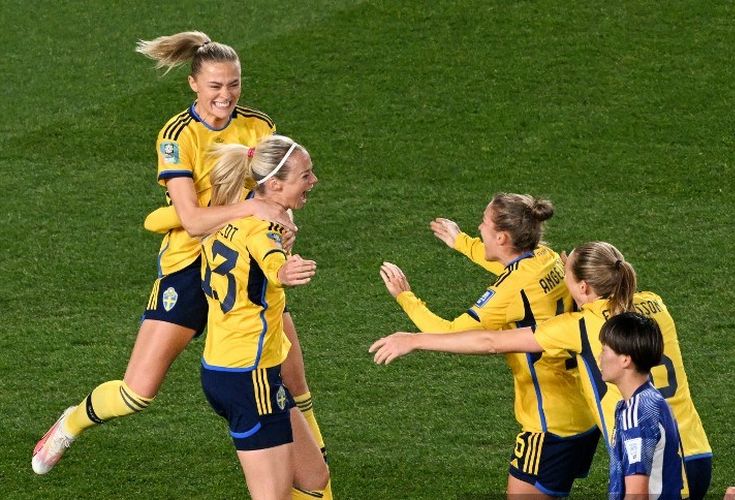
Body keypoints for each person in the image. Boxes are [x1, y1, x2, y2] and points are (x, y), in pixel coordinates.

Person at [32, 32, 331, 498]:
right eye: (214, 85)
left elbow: (276, 190)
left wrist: (281, 230)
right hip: (190, 265)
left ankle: (316, 458)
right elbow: (191, 220)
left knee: (288, 370)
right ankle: (71, 421)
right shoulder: (177, 136)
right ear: (193, 83)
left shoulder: (258, 125)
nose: (225, 95)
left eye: (233, 84)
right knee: (138, 392)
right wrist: (251, 212)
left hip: (244, 260)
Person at [371, 241, 712, 499]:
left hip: (656, 465)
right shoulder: (655, 305)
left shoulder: (580, 326)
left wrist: (415, 339)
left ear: (584, 288)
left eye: (568, 277)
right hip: (696, 450)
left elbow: (489, 341)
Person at [378, 194, 598, 498]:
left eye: (483, 223)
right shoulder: (547, 259)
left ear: (502, 236)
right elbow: (511, 268)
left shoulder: (510, 292)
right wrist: (462, 243)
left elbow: (450, 332)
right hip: (585, 410)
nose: (479, 228)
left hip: (547, 423)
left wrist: (406, 299)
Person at [200, 134, 328, 498]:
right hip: (248, 376)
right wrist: (285, 271)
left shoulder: (234, 213)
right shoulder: (263, 229)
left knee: (313, 476)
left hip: (228, 368)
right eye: (305, 175)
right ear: (275, 184)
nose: (313, 181)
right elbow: (271, 262)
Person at [599, 312, 683, 499]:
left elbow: (636, 494)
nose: (600, 357)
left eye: (604, 350)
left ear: (625, 360)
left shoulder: (638, 411)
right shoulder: (651, 400)